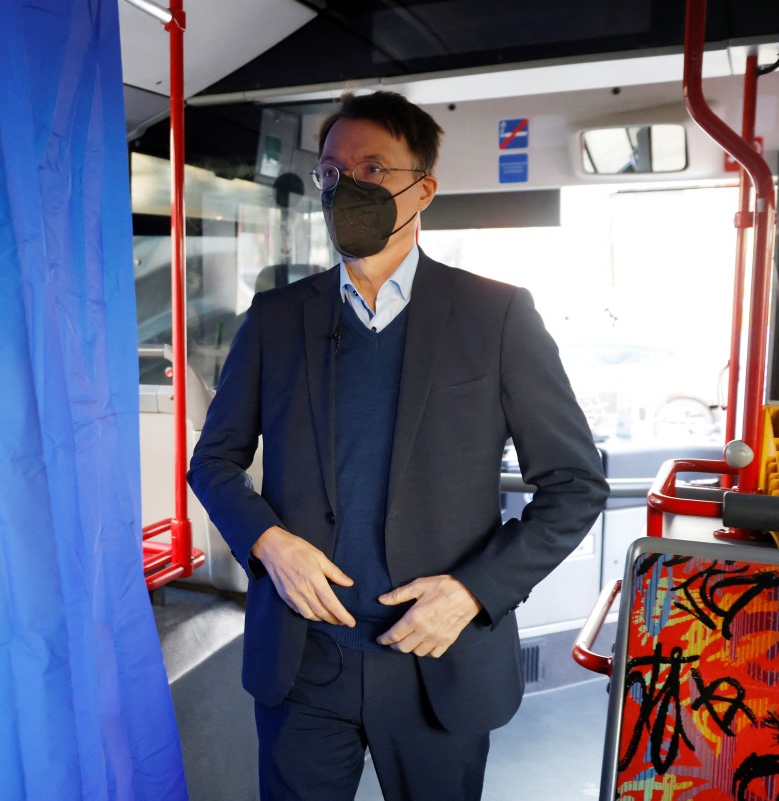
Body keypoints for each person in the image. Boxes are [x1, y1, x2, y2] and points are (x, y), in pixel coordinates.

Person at [187, 90, 608, 801]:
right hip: (304, 660)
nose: (347, 188)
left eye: (373, 169)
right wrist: (268, 543)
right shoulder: (277, 319)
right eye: (331, 172)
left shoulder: (496, 316)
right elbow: (215, 460)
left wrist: (475, 591)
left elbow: (574, 483)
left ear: (424, 188)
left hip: (438, 660)